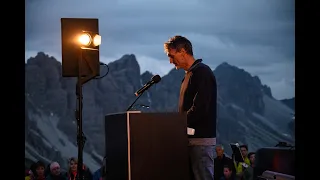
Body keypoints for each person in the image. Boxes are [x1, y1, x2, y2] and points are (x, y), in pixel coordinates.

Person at [164, 35, 217, 180]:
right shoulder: (189, 75)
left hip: (200, 141)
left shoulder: (202, 73)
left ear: (183, 51)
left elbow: (200, 108)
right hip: (189, 141)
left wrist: (178, 124)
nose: (170, 61)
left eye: (171, 55)